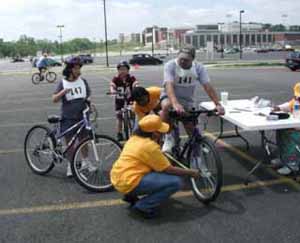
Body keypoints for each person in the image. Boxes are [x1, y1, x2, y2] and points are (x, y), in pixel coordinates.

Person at [110, 114, 200, 218]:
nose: (162, 133)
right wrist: (191, 172)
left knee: (150, 171)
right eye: (159, 131)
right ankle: (143, 206)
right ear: (153, 133)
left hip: (118, 178)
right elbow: (169, 169)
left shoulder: (134, 138)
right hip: (129, 181)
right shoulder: (150, 147)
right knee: (176, 182)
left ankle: (130, 195)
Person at [160, 45, 225, 153]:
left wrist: (217, 104)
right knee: (167, 106)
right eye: (180, 58)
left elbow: (207, 86)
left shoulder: (199, 68)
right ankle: (168, 137)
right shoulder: (170, 65)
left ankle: (197, 157)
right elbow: (169, 85)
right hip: (169, 97)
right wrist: (175, 103)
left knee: (192, 130)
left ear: (192, 59)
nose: (182, 61)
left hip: (187, 100)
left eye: (186, 60)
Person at [52, 56, 95, 177]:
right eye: (76, 68)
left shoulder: (83, 81)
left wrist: (90, 104)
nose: (78, 71)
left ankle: (86, 162)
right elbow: (54, 99)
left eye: (79, 68)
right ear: (70, 69)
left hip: (82, 117)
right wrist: (63, 92)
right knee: (70, 143)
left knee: (84, 140)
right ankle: (70, 165)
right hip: (68, 117)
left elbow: (88, 96)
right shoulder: (63, 83)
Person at [271, 82, 300, 175]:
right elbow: (288, 105)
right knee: (280, 131)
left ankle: (292, 164)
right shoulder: (296, 100)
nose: (297, 98)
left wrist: (294, 126)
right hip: (292, 125)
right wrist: (278, 107)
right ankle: (283, 158)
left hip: (296, 129)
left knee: (292, 139)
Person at [110, 61, 138, 141]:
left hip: (130, 100)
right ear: (118, 70)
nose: (122, 71)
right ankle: (119, 133)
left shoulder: (131, 77)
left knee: (133, 115)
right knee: (119, 118)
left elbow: (135, 83)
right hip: (119, 101)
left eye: (124, 69)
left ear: (128, 70)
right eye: (121, 69)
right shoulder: (116, 78)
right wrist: (112, 90)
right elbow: (112, 85)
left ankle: (134, 131)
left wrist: (136, 86)